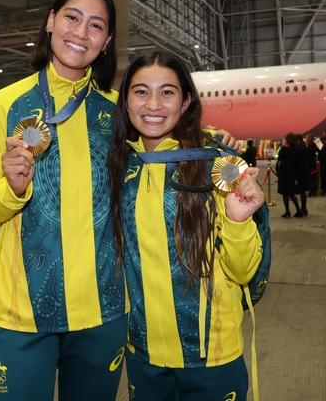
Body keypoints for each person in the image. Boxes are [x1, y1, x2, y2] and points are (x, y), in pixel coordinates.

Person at [0, 0, 127, 401]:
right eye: (72, 17)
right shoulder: (5, 104)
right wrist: (13, 189)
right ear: (51, 21)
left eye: (96, 26)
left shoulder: (118, 111)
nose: (81, 32)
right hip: (21, 312)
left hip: (102, 310)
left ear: (107, 41)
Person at [107, 52, 265, 401]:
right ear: (126, 101)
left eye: (167, 92)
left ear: (186, 100)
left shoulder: (218, 165)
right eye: (140, 91)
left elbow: (243, 271)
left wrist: (238, 222)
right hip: (144, 353)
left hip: (212, 355)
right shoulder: (120, 167)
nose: (153, 104)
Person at [276, 133, 302, 218]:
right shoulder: (297, 149)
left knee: (285, 193)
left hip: (284, 172)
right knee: (291, 193)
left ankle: (287, 211)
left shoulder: (284, 148)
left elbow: (279, 158)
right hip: (292, 173)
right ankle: (298, 210)